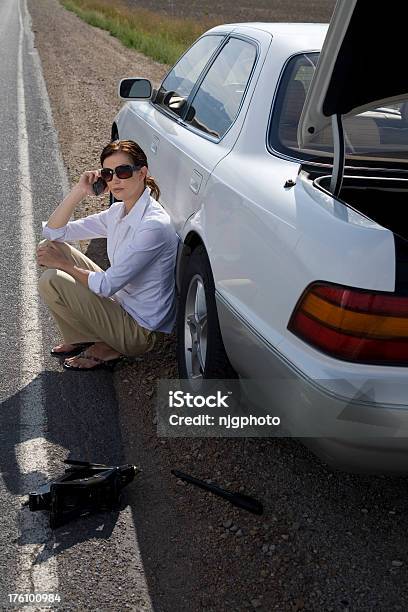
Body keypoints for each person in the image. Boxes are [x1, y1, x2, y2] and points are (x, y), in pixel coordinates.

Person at [37, 139, 178, 370]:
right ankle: (83, 337)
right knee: (50, 246)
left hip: (139, 330)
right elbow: (54, 232)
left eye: (123, 171)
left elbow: (106, 285)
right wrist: (79, 191)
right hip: (120, 303)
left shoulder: (153, 225)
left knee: (54, 278)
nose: (115, 180)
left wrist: (64, 265)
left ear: (142, 172)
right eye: (108, 173)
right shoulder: (117, 212)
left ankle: (108, 347)